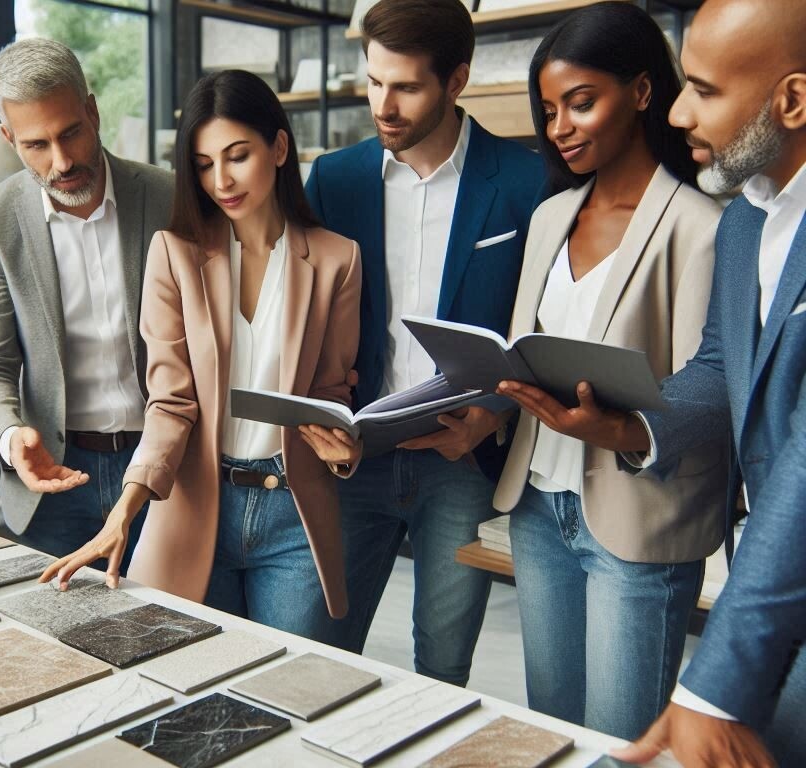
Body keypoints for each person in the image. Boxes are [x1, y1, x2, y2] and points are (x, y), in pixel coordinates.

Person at [491, 1, 805, 764]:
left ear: (793, 100)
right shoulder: (749, 223)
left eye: (703, 88)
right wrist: (630, 427)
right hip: (763, 572)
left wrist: (712, 686)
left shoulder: (707, 221)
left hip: (701, 544)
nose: (678, 109)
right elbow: (719, 369)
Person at [450, 2, 726, 740]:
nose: (560, 128)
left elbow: (710, 386)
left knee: (616, 743)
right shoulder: (551, 217)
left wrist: (620, 427)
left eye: (580, 103)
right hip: (540, 507)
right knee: (553, 731)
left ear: (642, 92)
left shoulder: (701, 227)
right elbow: (526, 350)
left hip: (636, 519)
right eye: (549, 111)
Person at [40, 70, 362, 640]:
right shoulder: (174, 254)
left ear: (279, 148)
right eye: (205, 164)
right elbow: (170, 402)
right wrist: (123, 511)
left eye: (238, 156)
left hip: (293, 516)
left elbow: (331, 395)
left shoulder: (338, 259)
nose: (221, 180)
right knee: (190, 677)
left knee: (290, 678)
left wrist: (343, 449)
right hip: (196, 504)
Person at [304, 0, 546, 683]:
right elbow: (304, 317)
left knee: (443, 665)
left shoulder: (526, 182)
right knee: (322, 652)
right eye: (374, 82)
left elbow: (542, 325)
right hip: (356, 455)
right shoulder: (334, 180)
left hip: (461, 461)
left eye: (406, 87)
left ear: (456, 80)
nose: (383, 105)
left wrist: (493, 415)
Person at [0, 39, 173, 564]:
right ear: (9, 138)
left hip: (164, 468)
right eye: (36, 144)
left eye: (71, 133)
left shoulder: (169, 197)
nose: (61, 162)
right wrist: (12, 437)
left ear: (93, 112)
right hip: (55, 480)